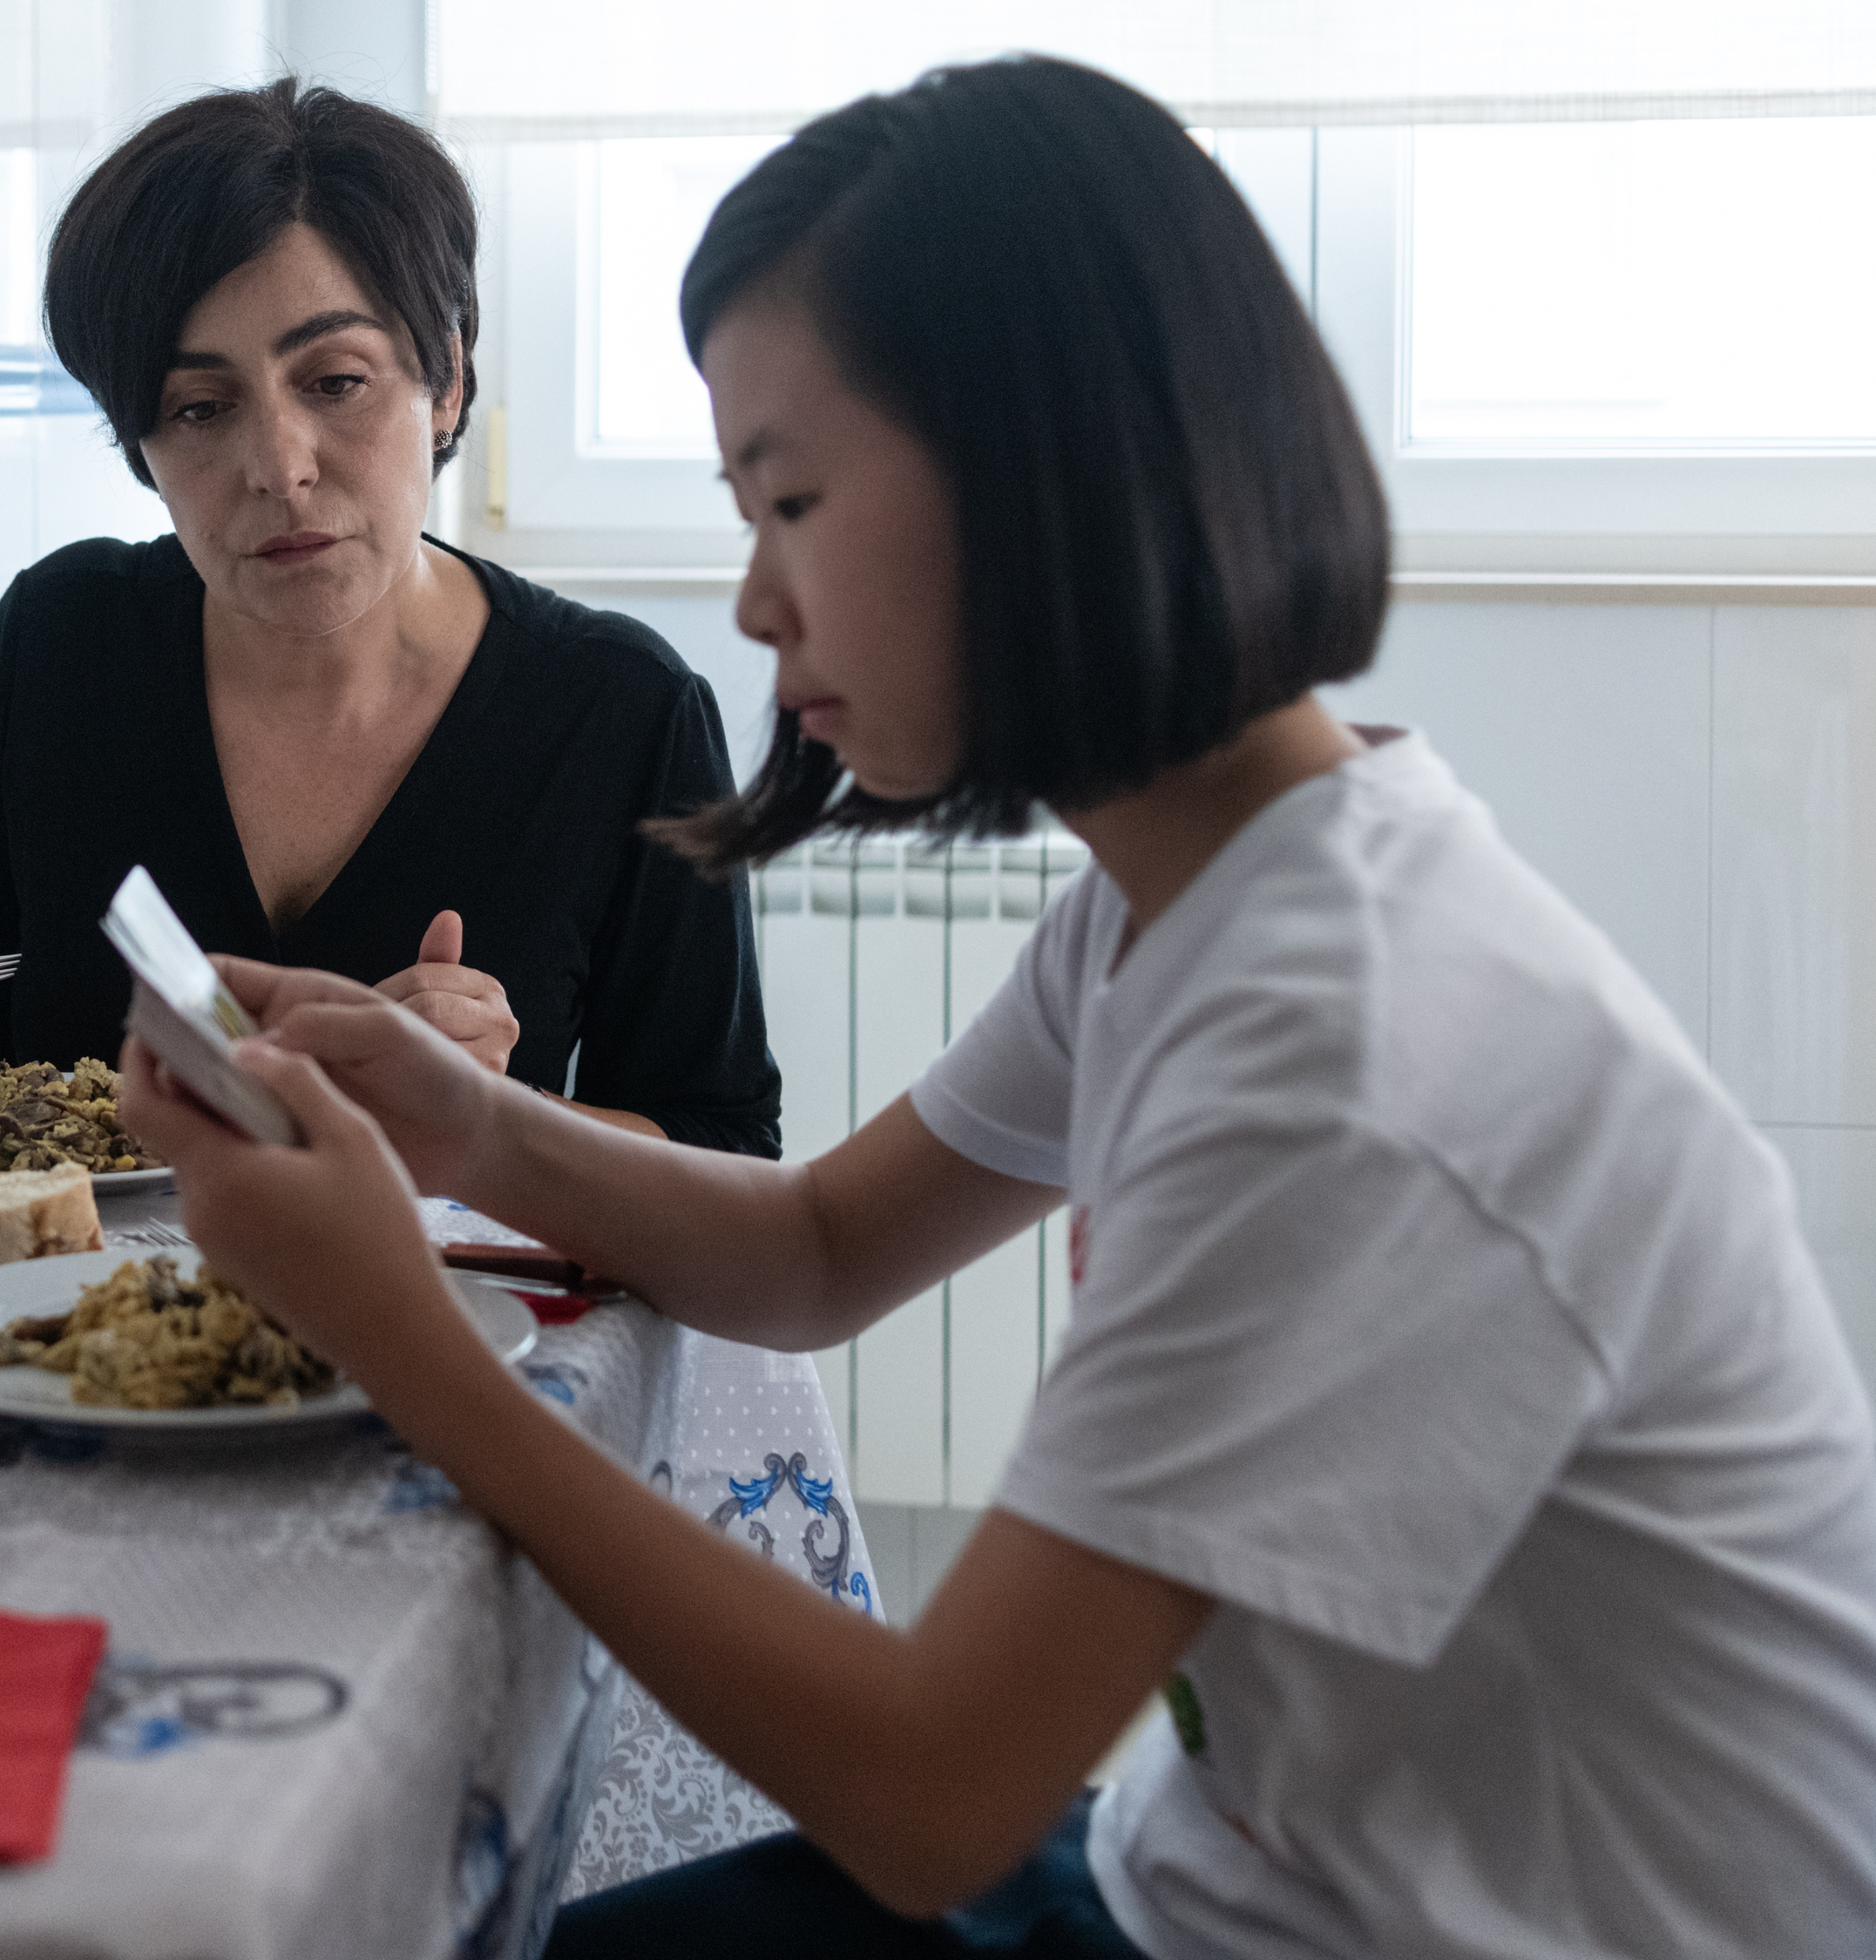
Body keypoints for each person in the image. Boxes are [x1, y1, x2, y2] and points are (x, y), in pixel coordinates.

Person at [119, 56, 1876, 1960]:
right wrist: (465, 1129)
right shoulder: (1195, 891)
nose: (756, 605)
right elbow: (811, 1250)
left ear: (1045, 472)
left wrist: (404, 1337)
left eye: (788, 499)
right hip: (1213, 1879)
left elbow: (929, 1803)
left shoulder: (1351, 1046)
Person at [0, 78, 778, 1153]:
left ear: (448, 379)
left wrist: (491, 1128)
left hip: (440, 1349)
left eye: (336, 381)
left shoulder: (622, 714)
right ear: (141, 443)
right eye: (198, 406)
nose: (276, 467)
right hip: (61, 1348)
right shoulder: (59, 648)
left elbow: (726, 1152)